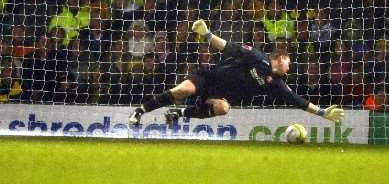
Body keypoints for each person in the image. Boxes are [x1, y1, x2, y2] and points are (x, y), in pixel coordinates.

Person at [129, 19, 345, 126]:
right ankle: (140, 110)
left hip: (219, 97)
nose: (290, 65)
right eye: (289, 60)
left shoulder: (276, 84)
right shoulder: (257, 57)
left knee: (223, 108)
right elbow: (228, 47)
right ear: (279, 58)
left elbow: (297, 100)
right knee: (183, 89)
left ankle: (180, 114)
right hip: (209, 78)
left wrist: (322, 113)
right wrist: (207, 34)